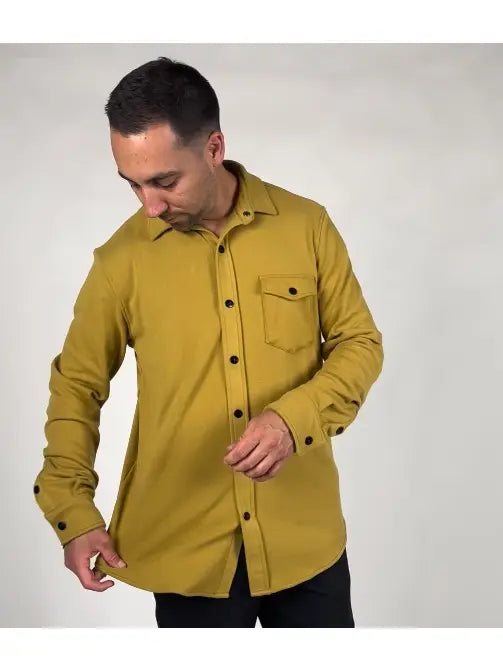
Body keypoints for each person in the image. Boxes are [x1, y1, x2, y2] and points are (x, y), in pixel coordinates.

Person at [33, 56, 384, 627]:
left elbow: (359, 342)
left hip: (305, 542)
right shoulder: (120, 261)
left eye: (164, 181)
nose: (149, 205)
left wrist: (293, 420)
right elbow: (76, 384)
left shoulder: (306, 226)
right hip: (187, 552)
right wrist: (71, 509)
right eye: (133, 184)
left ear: (214, 147)